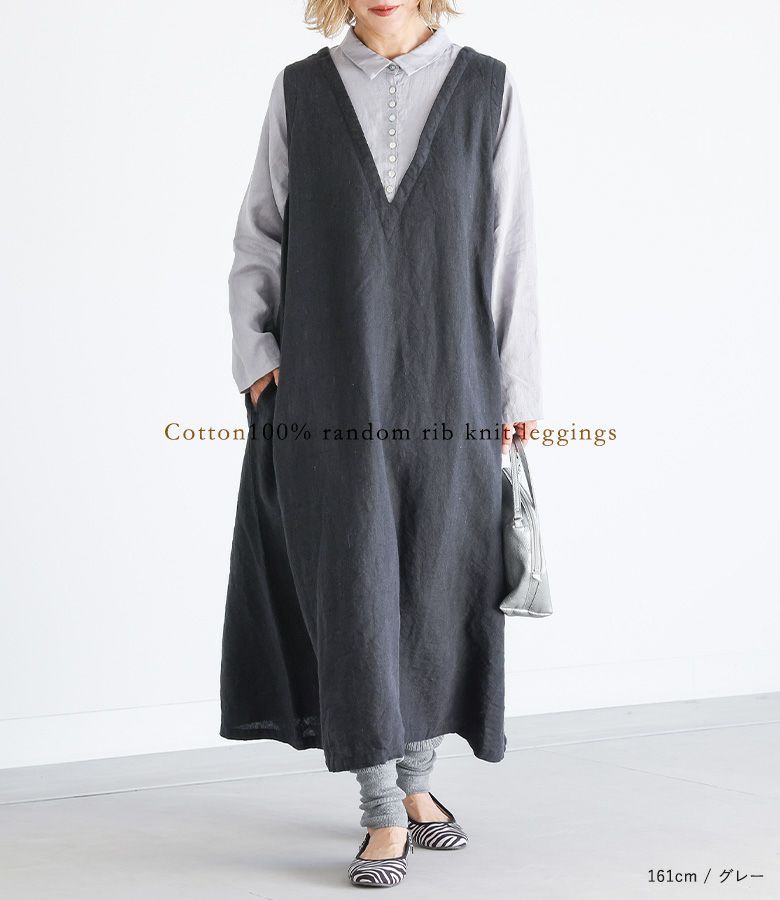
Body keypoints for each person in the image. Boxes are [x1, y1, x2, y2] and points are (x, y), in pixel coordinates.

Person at [220, 0, 541, 888]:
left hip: (454, 379)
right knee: (352, 590)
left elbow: (511, 243)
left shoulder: (487, 87)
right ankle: (381, 811)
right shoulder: (301, 90)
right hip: (329, 384)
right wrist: (259, 361)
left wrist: (518, 387)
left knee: (441, 579)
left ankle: (419, 780)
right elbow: (260, 232)